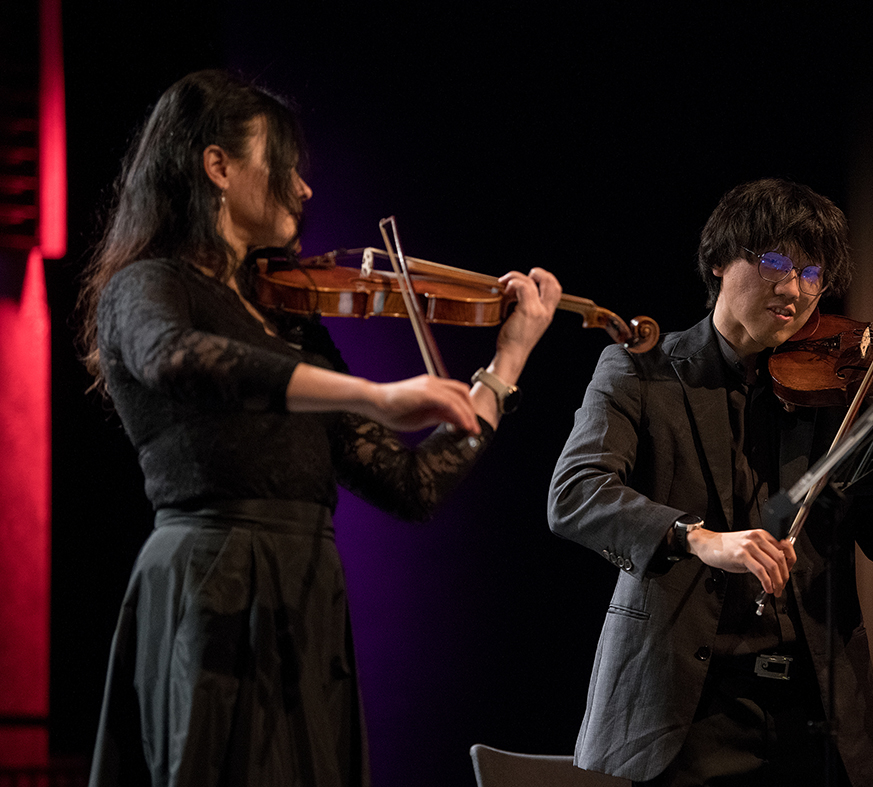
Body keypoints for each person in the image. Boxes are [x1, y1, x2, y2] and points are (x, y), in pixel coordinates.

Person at [77, 69, 560, 786]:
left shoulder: (289, 314)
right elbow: (177, 357)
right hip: (211, 582)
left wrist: (508, 357)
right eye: (285, 164)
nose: (304, 188)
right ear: (218, 166)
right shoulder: (149, 285)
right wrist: (375, 393)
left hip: (303, 594)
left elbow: (411, 483)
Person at [547, 177, 873, 786]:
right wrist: (699, 538)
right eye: (773, 262)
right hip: (683, 714)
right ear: (717, 261)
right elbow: (576, 493)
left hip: (815, 716)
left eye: (813, 273)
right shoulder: (641, 371)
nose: (794, 289)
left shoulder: (838, 392)